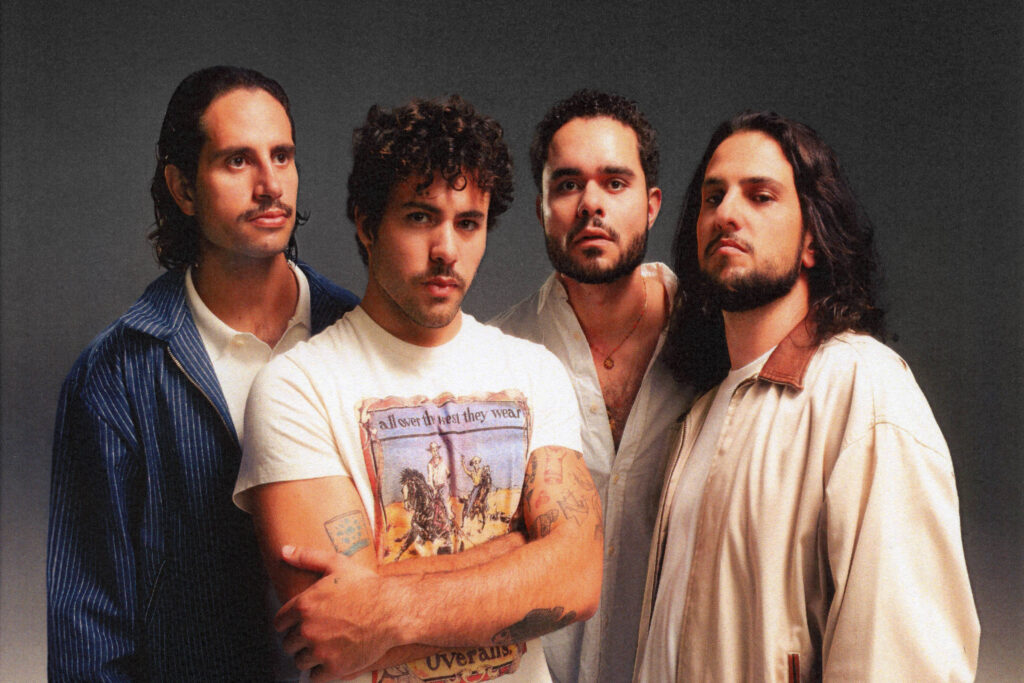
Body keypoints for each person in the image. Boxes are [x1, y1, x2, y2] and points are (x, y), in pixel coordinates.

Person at [234, 95, 603, 683]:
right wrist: (519, 553)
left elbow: (577, 580)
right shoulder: (294, 388)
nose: (446, 250)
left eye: (468, 223)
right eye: (419, 217)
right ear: (366, 225)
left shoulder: (535, 371)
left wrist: (382, 606)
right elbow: (329, 632)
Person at [633, 111, 979, 681]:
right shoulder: (698, 414)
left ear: (812, 239)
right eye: (713, 197)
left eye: (761, 196)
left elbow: (900, 660)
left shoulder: (864, 390)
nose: (727, 214)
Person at [46, 66, 359, 680]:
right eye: (237, 161)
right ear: (183, 188)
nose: (270, 185)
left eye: (282, 156)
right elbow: (89, 633)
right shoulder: (114, 376)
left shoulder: (357, 332)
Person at [491, 89, 693, 682]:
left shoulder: (712, 342)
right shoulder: (498, 358)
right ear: (541, 209)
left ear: (652, 205)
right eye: (568, 184)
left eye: (615, 182)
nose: (591, 204)